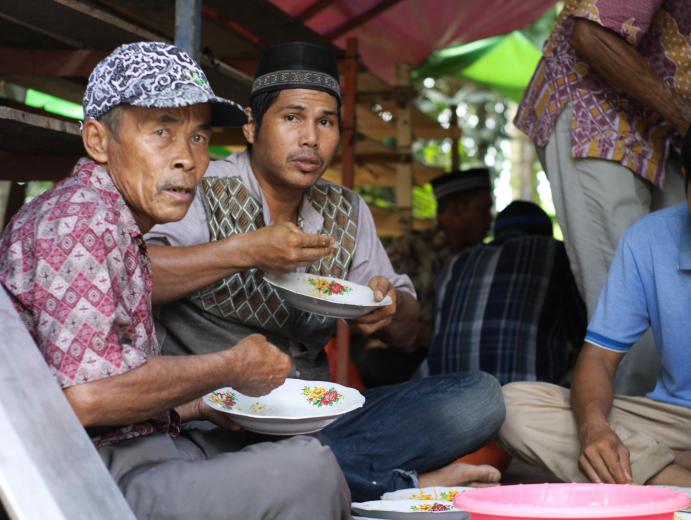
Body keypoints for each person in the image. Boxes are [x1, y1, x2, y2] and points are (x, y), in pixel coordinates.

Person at [0, 42, 351, 519]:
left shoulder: (113, 221)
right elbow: (87, 397)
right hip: (88, 481)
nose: (187, 158)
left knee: (295, 450)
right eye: (161, 131)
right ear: (98, 141)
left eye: (198, 136)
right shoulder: (78, 221)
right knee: (311, 468)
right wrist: (230, 365)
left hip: (142, 451)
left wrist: (198, 405)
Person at [146, 42, 506, 502]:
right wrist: (244, 250)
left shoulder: (346, 210)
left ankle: (307, 478)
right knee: (212, 458)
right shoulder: (203, 189)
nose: (311, 138)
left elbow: (405, 331)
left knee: (480, 399)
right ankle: (393, 485)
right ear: (252, 126)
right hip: (214, 422)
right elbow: (140, 275)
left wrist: (389, 307)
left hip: (318, 423)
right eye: (292, 118)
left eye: (326, 122)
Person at [498, 127, 691, 486]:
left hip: (662, 445)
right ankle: (668, 474)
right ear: (686, 180)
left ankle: (654, 475)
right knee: (512, 408)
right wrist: (594, 430)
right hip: (673, 422)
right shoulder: (649, 239)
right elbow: (599, 357)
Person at [514, 0, 689, 395]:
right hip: (594, 109)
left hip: (668, 132)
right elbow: (591, 34)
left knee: (677, 290)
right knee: (635, 304)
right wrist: (687, 121)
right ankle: (630, 429)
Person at [428, 200, 587, 385]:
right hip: (525, 395)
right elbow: (587, 333)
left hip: (446, 395)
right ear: (546, 233)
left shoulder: (456, 263)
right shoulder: (557, 254)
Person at [386, 167, 493, 347]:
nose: (490, 219)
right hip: (405, 355)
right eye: (483, 209)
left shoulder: (486, 258)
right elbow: (383, 310)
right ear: (456, 211)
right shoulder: (410, 249)